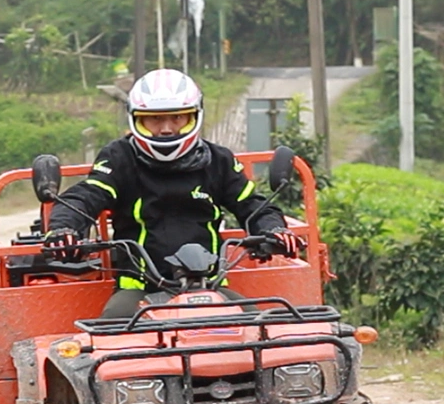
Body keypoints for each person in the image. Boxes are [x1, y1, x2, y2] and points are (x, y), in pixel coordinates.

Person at [44, 68, 302, 317]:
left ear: (194, 117)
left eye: (177, 118)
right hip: (138, 290)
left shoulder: (219, 160)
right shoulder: (118, 157)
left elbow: (254, 205)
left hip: (210, 286)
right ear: (136, 119)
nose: (167, 129)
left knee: (257, 330)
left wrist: (274, 229)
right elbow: (85, 196)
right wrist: (64, 230)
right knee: (108, 340)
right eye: (155, 119)